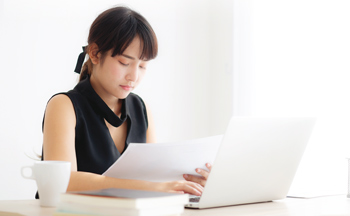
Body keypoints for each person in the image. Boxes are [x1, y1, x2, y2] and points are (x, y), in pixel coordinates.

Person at [40, 6, 211, 197]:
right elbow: (64, 181)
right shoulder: (64, 105)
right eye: (124, 63)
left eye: (143, 66)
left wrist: (190, 181)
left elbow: (153, 178)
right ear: (95, 53)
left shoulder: (141, 108)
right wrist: (151, 186)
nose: (134, 76)